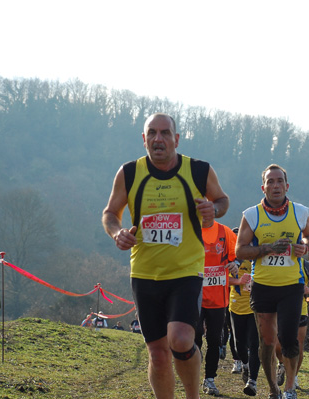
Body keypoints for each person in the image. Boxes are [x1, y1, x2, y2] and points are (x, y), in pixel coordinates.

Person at [102, 112, 229, 399]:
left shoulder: (198, 171)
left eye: (165, 133)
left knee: (182, 340)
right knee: (158, 355)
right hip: (145, 274)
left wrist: (215, 210)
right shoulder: (130, 173)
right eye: (152, 133)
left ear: (176, 139)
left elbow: (222, 199)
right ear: (144, 139)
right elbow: (110, 213)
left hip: (186, 271)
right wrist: (116, 233)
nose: (158, 139)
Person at [236, 164, 309, 399]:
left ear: (286, 185)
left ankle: (290, 388)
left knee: (290, 339)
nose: (275, 185)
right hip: (263, 286)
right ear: (263, 188)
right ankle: (274, 389)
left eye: (279, 181)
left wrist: (305, 247)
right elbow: (240, 250)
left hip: (291, 286)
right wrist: (267, 248)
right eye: (270, 182)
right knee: (267, 342)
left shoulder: (300, 212)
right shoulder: (252, 215)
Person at [195, 220, 239, 396]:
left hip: (218, 299)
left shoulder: (224, 231)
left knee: (214, 340)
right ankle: (193, 373)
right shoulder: (192, 229)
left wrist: (236, 262)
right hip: (194, 295)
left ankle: (209, 379)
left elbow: (239, 251)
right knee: (195, 337)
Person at [276, 260, 309, 390]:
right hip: (279, 308)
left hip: (300, 310)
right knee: (277, 344)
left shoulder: (306, 265)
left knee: (299, 346)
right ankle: (281, 364)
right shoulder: (277, 262)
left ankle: (294, 377)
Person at [229, 257, 260, 396]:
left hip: (255, 308)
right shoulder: (233, 260)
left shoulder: (258, 259)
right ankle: (246, 365)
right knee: (238, 345)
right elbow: (223, 279)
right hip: (236, 307)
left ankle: (252, 381)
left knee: (254, 345)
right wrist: (238, 281)